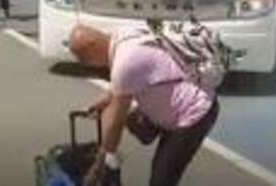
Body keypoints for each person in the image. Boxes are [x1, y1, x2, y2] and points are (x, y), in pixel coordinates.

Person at [69, 25, 220, 186]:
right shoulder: (123, 36)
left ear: (91, 47)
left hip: (193, 114)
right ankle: (152, 131)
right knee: (132, 119)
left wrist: (99, 164)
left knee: (161, 179)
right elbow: (122, 84)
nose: (88, 65)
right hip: (174, 98)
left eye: (83, 59)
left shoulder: (125, 62)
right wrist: (104, 101)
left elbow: (115, 122)